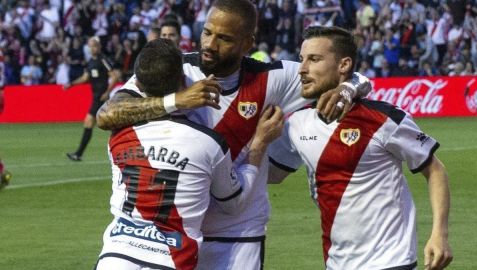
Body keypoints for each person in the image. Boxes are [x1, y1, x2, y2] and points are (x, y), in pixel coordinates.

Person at [96, 1, 372, 268]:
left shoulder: (272, 79)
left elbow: (353, 77)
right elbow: (108, 114)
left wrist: (347, 89)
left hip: (238, 234)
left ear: (247, 43)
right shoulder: (177, 69)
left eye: (224, 38)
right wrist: (178, 100)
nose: (209, 45)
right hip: (176, 235)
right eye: (207, 32)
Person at [268, 26, 453, 270]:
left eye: (314, 59)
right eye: (302, 59)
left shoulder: (383, 119)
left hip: (391, 260)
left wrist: (439, 234)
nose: (302, 69)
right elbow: (273, 174)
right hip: (337, 262)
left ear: (343, 65)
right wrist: (260, 141)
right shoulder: (296, 124)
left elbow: (435, 170)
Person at [95, 38, 284, 270]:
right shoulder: (208, 144)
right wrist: (258, 145)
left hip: (114, 258)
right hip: (170, 261)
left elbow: (108, 114)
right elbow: (234, 204)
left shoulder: (118, 136)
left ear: (138, 85)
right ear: (184, 80)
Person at [65, 36, 119, 161]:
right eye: (91, 46)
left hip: (101, 97)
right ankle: (78, 154)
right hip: (96, 97)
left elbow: (115, 76)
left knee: (92, 122)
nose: (92, 48)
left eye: (95, 46)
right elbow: (85, 78)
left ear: (99, 47)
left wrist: (107, 92)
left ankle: (78, 153)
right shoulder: (90, 62)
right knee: (107, 124)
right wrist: (71, 84)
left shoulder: (103, 59)